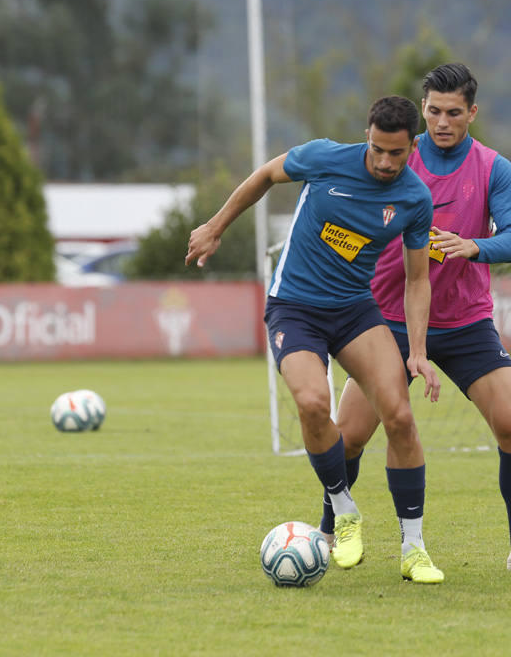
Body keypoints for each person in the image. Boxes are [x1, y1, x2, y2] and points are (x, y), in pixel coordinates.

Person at [185, 95, 446, 584]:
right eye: (378, 150)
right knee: (311, 403)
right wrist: (215, 226)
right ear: (366, 135)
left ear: (413, 146)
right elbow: (264, 175)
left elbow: (416, 279)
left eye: (397, 153)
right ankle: (345, 513)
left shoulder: (414, 198)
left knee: (401, 417)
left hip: (354, 311)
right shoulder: (325, 157)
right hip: (295, 308)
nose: (386, 162)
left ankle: (414, 548)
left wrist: (416, 351)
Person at [318, 63, 511, 574]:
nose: (442, 122)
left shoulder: (494, 168)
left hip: (466, 322)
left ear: (472, 112)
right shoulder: (394, 160)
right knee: (352, 434)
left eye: (454, 113)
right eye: (433, 111)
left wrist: (473, 245)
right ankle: (325, 534)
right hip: (386, 319)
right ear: (422, 109)